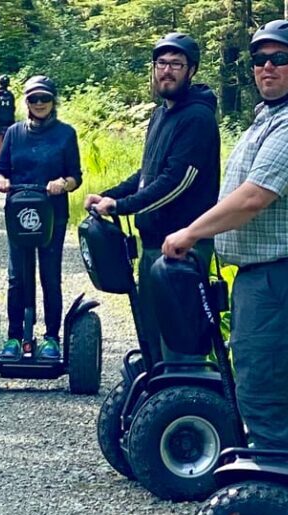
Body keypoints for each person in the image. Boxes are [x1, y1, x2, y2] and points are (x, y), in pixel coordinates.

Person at [162, 20, 288, 469]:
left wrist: (190, 233)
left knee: (261, 400)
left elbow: (254, 197)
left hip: (283, 279)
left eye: (279, 59)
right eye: (260, 60)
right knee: (281, 400)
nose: (267, 68)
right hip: (264, 278)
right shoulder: (269, 118)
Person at [84, 33, 221, 365]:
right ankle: (158, 408)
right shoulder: (162, 114)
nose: (167, 71)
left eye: (176, 64)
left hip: (182, 250)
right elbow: (148, 173)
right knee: (153, 343)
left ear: (192, 70)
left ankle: (187, 411)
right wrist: (110, 195)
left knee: (182, 347)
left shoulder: (197, 118)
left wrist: (122, 207)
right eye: (161, 63)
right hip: (152, 247)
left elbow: (178, 182)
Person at [0, 75, 82, 360]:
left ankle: (52, 338)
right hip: (19, 212)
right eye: (33, 98)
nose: (39, 103)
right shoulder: (15, 133)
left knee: (50, 276)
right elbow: (0, 168)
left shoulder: (66, 134)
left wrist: (62, 184)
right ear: (26, 101)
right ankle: (14, 337)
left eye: (44, 98)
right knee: (17, 277)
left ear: (53, 101)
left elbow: (75, 177)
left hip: (52, 213)